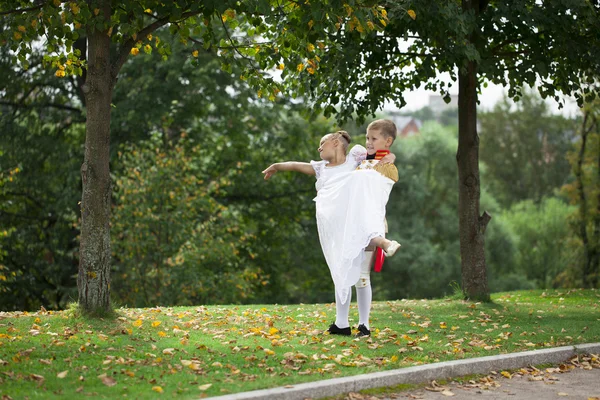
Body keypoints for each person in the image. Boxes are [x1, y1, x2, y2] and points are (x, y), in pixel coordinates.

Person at [262, 122, 400, 337]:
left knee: (362, 276)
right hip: (339, 228)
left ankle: (364, 324)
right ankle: (341, 323)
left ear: (335, 143)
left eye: (322, 144)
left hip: (361, 222)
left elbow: (378, 167)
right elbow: (298, 165)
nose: (319, 148)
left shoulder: (356, 160)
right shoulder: (324, 168)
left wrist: (390, 157)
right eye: (367, 138)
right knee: (341, 271)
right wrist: (278, 165)